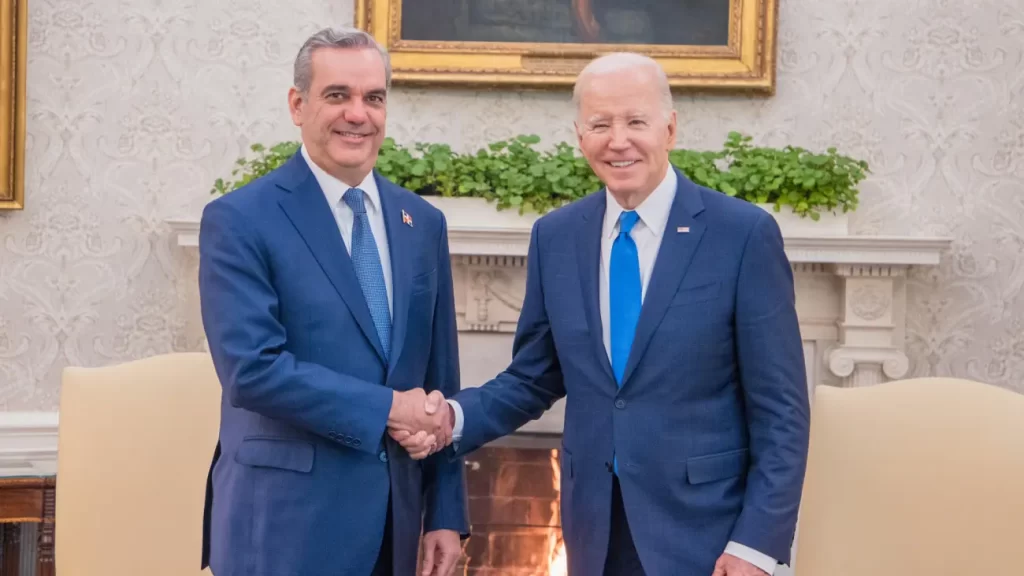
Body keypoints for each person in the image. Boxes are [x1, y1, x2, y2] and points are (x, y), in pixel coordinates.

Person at [392, 52, 810, 575]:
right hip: (595, 533)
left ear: (670, 128)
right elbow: (534, 377)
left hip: (710, 540)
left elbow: (782, 413)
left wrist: (755, 546)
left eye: (636, 121)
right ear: (579, 135)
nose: (618, 140)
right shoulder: (557, 236)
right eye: (600, 124)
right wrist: (450, 419)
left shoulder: (742, 236)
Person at [197, 27, 468, 576]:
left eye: (373, 98)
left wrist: (445, 512)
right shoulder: (241, 219)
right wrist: (390, 408)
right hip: (279, 525)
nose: (357, 114)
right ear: (298, 105)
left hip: (395, 524)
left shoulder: (423, 224)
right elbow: (251, 370)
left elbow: (442, 378)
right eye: (337, 95)